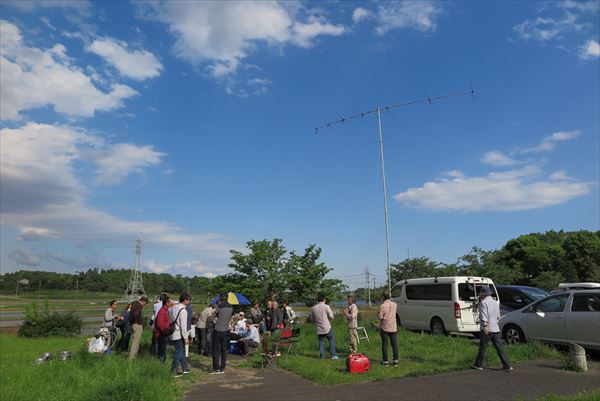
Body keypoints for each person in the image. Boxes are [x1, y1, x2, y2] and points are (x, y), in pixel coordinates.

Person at [471, 286, 513, 372]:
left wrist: (485, 327)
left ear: (483, 294)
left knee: (483, 347)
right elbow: (498, 316)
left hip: (487, 328)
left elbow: (484, 315)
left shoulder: (483, 303)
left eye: (481, 294)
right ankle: (507, 365)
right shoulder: (495, 302)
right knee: (499, 347)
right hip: (495, 328)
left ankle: (478, 364)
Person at [211, 293, 234, 374]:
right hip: (226, 330)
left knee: (216, 350)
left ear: (221, 298)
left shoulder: (219, 306)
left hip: (218, 330)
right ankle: (223, 367)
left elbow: (212, 316)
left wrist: (216, 313)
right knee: (224, 349)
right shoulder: (231, 307)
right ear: (227, 298)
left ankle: (216, 368)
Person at [311, 295, 338, 360]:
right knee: (331, 340)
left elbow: (312, 319)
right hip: (327, 327)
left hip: (319, 328)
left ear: (318, 300)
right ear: (324, 300)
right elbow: (331, 316)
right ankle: (333, 355)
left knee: (321, 342)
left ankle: (322, 356)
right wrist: (329, 318)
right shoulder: (326, 306)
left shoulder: (314, 308)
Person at [170, 293, 191, 377]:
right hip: (179, 334)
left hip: (172, 332)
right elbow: (183, 326)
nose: (189, 302)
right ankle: (173, 370)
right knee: (178, 352)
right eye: (189, 300)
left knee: (180, 350)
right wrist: (186, 338)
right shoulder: (183, 310)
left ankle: (185, 368)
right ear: (186, 300)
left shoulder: (173, 307)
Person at [378, 291, 398, 366]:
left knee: (384, 345)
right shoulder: (395, 304)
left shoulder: (382, 306)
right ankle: (396, 360)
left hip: (385, 327)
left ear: (383, 297)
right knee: (394, 344)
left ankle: (385, 361)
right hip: (393, 326)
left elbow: (380, 317)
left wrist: (378, 313)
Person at [128, 296, 148, 361]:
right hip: (137, 325)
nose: (145, 305)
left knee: (134, 341)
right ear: (143, 301)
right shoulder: (139, 306)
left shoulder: (134, 304)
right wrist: (137, 322)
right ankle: (132, 359)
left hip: (132, 324)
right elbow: (135, 315)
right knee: (135, 343)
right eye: (145, 303)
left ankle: (134, 356)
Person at [154, 296, 171, 363]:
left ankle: (162, 362)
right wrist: (165, 331)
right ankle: (161, 363)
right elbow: (160, 324)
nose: (171, 303)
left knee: (163, 349)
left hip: (163, 333)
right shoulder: (162, 312)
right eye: (170, 302)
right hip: (161, 334)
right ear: (166, 303)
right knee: (162, 350)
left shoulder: (165, 310)